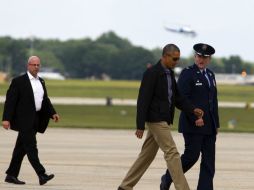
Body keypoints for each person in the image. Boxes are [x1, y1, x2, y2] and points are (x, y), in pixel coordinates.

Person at [117, 44, 204, 190]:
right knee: (172, 153)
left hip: (163, 119)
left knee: (146, 156)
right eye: (174, 58)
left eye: (178, 59)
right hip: (156, 120)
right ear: (165, 56)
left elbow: (177, 98)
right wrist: (139, 125)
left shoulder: (169, 73)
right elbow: (143, 100)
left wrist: (192, 109)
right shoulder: (152, 73)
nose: (176, 62)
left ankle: (125, 186)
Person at [160, 43, 219, 190]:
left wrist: (215, 124)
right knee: (191, 157)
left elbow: (213, 101)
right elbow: (182, 99)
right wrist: (195, 117)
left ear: (209, 59)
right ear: (195, 56)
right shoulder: (188, 74)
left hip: (209, 126)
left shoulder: (210, 75)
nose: (201, 60)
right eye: (199, 56)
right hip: (192, 124)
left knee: (209, 162)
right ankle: (168, 177)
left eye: (205, 57)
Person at [2, 56, 60, 185]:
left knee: (20, 149)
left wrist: (52, 112)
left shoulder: (41, 81)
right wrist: (6, 119)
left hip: (36, 119)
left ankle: (11, 175)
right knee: (31, 147)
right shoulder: (19, 81)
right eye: (34, 65)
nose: (36, 67)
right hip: (24, 121)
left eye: (38, 65)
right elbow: (10, 102)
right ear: (28, 66)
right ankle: (41, 174)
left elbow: (45, 100)